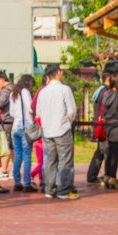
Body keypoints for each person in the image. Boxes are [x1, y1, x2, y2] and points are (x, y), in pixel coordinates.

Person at [35, 65, 78, 199]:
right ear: (58, 73)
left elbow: (38, 113)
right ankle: (64, 190)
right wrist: (67, 123)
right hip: (62, 129)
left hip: (47, 131)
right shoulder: (65, 89)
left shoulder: (42, 91)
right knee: (65, 161)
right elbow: (72, 111)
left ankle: (49, 189)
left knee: (49, 160)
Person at [100, 72, 118, 190]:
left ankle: (107, 177)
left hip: (108, 127)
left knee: (109, 153)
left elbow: (104, 112)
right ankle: (113, 178)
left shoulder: (106, 94)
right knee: (115, 155)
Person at [9, 75, 37, 192]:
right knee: (26, 156)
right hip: (25, 127)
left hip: (15, 127)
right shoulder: (25, 92)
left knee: (18, 155)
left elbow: (11, 113)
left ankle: (17, 182)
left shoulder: (13, 93)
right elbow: (30, 108)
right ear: (28, 83)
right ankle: (26, 184)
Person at [0, 72, 14, 180]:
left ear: (1, 79)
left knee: (4, 145)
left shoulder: (6, 90)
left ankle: (4, 170)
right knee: (11, 146)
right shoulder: (14, 88)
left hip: (5, 121)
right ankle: (13, 170)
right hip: (11, 121)